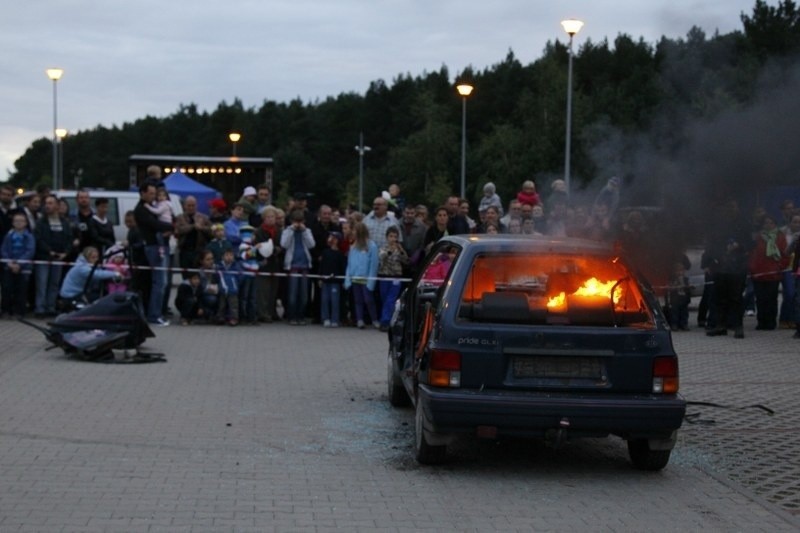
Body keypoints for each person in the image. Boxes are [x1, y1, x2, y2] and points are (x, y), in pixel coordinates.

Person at [705, 199, 751, 339]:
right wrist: (711, 260)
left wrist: (739, 246)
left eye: (733, 206)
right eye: (727, 207)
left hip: (737, 267)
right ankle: (721, 326)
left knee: (736, 298)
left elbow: (750, 243)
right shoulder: (718, 225)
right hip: (720, 266)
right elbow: (711, 244)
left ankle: (738, 327)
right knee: (720, 298)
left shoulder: (743, 224)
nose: (730, 209)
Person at [133, 182, 174, 326]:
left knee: (161, 282)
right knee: (160, 282)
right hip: (154, 246)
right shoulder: (141, 209)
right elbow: (155, 225)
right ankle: (154, 315)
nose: (153, 196)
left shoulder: (154, 206)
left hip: (160, 244)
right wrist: (172, 227)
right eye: (150, 193)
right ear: (142, 193)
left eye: (154, 193)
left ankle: (157, 312)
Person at [33, 195, 73, 317]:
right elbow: (38, 238)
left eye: (51, 203)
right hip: (44, 257)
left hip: (59, 258)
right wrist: (49, 251)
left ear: (57, 205)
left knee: (54, 283)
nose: (47, 205)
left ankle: (50, 307)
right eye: (46, 203)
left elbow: (69, 238)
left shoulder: (64, 222)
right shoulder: (41, 222)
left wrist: (66, 252)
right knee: (42, 283)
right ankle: (40, 308)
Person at [748, 215, 788, 331]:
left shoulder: (780, 236)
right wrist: (752, 267)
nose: (768, 225)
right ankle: (761, 321)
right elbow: (752, 253)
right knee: (760, 299)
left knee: (771, 298)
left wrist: (780, 266)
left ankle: (771, 321)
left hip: (773, 273)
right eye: (766, 223)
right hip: (759, 272)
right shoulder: (758, 237)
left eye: (771, 223)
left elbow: (785, 254)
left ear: (775, 224)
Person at [281, 209, 315, 325]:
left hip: (305, 265)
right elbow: (284, 244)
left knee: (304, 294)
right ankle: (292, 316)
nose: (298, 224)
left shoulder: (307, 231)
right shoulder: (287, 231)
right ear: (291, 221)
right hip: (293, 265)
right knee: (293, 293)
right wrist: (291, 230)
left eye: (300, 221)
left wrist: (304, 231)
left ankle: (301, 316)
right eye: (296, 221)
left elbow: (312, 244)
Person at [344, 222, 379, 329]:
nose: (352, 232)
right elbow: (350, 264)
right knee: (357, 300)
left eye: (354, 230)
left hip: (366, 279)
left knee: (369, 300)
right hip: (355, 278)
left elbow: (374, 264)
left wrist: (371, 281)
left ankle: (374, 320)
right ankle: (360, 320)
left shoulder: (371, 246)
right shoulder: (353, 246)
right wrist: (347, 279)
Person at [1, 212, 35, 318]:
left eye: (21, 221)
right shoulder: (9, 235)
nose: (19, 223)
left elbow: (30, 251)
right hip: (9, 265)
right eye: (16, 221)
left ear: (25, 223)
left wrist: (19, 264)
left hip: (23, 268)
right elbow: (3, 250)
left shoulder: (29, 236)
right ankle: (6, 310)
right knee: (7, 288)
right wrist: (9, 262)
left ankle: (19, 311)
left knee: (21, 290)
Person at [253, 206, 282, 323]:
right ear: (264, 218)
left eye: (273, 217)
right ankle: (262, 313)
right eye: (268, 217)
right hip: (263, 264)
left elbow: (282, 245)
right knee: (263, 291)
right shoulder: (258, 231)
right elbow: (258, 246)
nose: (271, 219)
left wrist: (277, 250)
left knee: (273, 291)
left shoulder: (279, 231)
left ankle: (271, 312)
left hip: (275, 264)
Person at [377, 226, 408, 331]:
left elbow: (406, 260)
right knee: (385, 299)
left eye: (395, 236)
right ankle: (385, 318)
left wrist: (401, 251)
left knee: (391, 299)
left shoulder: (399, 248)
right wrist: (390, 251)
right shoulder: (383, 248)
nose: (393, 239)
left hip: (396, 277)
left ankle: (386, 321)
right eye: (391, 236)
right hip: (385, 276)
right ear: (387, 237)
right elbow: (381, 258)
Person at [174, 195, 211, 278]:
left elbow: (211, 231)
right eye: (189, 205)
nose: (191, 208)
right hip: (185, 251)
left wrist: (202, 228)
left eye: (193, 205)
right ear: (184, 206)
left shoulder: (204, 218)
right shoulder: (179, 218)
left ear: (196, 205)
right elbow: (178, 230)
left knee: (199, 276)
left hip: (199, 251)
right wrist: (193, 226)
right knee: (186, 276)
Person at [319, 231, 347, 327]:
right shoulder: (325, 252)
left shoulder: (340, 254)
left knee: (335, 300)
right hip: (325, 280)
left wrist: (343, 280)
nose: (331, 239)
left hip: (335, 281)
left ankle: (335, 319)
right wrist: (320, 278)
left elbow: (343, 268)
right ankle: (325, 318)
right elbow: (321, 266)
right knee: (325, 300)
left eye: (333, 238)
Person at [779, 212, 800, 329]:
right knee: (789, 294)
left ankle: (794, 319)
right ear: (790, 222)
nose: (797, 224)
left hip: (798, 268)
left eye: (799, 222)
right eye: (795, 222)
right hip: (788, 269)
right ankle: (784, 318)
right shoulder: (784, 234)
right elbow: (785, 252)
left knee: (797, 296)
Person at [215, 248, 241, 326]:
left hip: (233, 289)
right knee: (221, 304)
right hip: (223, 289)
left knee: (233, 305)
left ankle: (234, 318)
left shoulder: (236, 266)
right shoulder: (219, 266)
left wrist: (236, 284)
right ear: (222, 257)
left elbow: (240, 276)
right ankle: (220, 317)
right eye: (227, 255)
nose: (229, 257)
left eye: (231, 255)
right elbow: (216, 276)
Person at [399, 205, 427, 277]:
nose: (409, 215)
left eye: (412, 213)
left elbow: (423, 242)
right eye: (407, 213)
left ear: (415, 214)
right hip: (400, 258)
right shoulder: (397, 224)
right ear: (403, 213)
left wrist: (417, 253)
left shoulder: (422, 226)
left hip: (416, 259)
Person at [665, 259, 691, 331]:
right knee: (675, 312)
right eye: (678, 271)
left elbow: (688, 287)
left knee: (684, 313)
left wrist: (689, 287)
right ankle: (674, 324)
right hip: (675, 299)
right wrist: (674, 286)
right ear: (674, 272)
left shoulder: (686, 279)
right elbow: (669, 288)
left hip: (684, 298)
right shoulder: (672, 279)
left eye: (681, 271)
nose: (680, 273)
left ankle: (684, 324)